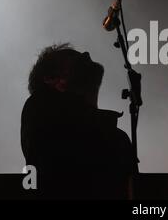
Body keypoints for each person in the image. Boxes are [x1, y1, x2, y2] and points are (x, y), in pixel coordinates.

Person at [21, 43, 135, 199]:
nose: (86, 54)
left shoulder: (117, 137)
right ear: (51, 79)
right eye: (73, 58)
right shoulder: (39, 106)